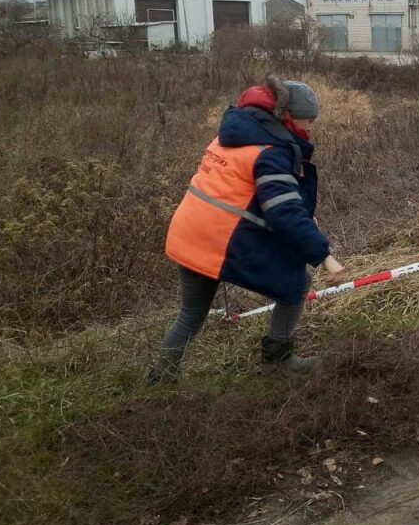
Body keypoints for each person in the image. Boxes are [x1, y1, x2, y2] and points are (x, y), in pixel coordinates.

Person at [148, 75, 345, 384]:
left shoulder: (236, 134)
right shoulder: (272, 152)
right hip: (220, 241)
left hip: (190, 233)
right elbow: (282, 211)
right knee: (297, 283)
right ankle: (278, 361)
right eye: (309, 121)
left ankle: (160, 379)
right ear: (290, 119)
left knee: (191, 314)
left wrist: (302, 219)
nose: (311, 129)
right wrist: (324, 255)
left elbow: (239, 195)